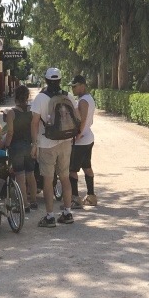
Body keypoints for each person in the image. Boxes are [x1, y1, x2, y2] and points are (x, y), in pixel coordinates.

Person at [31, 67, 79, 227]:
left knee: (48, 180)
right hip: (65, 142)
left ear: (46, 80)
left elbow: (35, 123)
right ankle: (67, 213)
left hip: (46, 143)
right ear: (60, 80)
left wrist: (34, 144)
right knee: (65, 178)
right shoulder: (68, 96)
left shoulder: (40, 98)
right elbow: (77, 117)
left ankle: (50, 216)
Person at [1, 85, 37, 211]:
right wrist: (34, 145)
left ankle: (24, 204)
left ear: (15, 97)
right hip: (29, 146)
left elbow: (10, 132)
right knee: (31, 174)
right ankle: (34, 201)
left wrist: (6, 145)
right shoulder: (32, 112)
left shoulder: (11, 113)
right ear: (27, 97)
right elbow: (34, 130)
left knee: (20, 177)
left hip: (16, 147)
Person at [69, 75, 97, 208]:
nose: (73, 89)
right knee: (87, 167)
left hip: (81, 141)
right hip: (88, 138)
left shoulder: (83, 101)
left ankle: (75, 199)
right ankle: (91, 196)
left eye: (75, 86)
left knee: (72, 170)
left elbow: (83, 119)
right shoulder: (89, 98)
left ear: (82, 86)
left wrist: (78, 135)